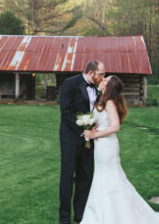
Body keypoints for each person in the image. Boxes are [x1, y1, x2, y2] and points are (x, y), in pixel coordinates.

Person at [80, 76, 159, 224]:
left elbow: (115, 126)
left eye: (105, 80)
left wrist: (95, 134)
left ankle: (113, 215)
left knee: (110, 178)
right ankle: (99, 213)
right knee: (100, 176)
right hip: (100, 147)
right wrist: (93, 127)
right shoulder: (102, 101)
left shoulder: (110, 103)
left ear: (109, 86)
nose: (102, 80)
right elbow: (103, 122)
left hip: (107, 147)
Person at [60, 60, 105, 223]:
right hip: (71, 139)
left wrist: (93, 130)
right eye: (101, 74)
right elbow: (66, 111)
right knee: (67, 178)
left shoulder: (97, 88)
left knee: (85, 178)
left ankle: (81, 217)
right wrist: (82, 130)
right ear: (91, 72)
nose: (103, 77)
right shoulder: (70, 84)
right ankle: (64, 219)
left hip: (90, 140)